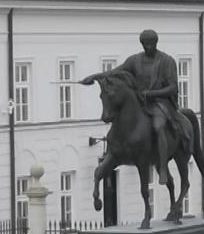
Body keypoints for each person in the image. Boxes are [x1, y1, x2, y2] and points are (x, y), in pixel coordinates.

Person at [80, 29, 188, 183]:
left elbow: (173, 88)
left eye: (150, 44)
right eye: (145, 44)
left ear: (156, 44)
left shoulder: (167, 61)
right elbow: (114, 73)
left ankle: (163, 166)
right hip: (139, 103)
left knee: (158, 127)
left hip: (159, 103)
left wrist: (152, 93)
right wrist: (94, 77)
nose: (148, 47)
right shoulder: (134, 61)